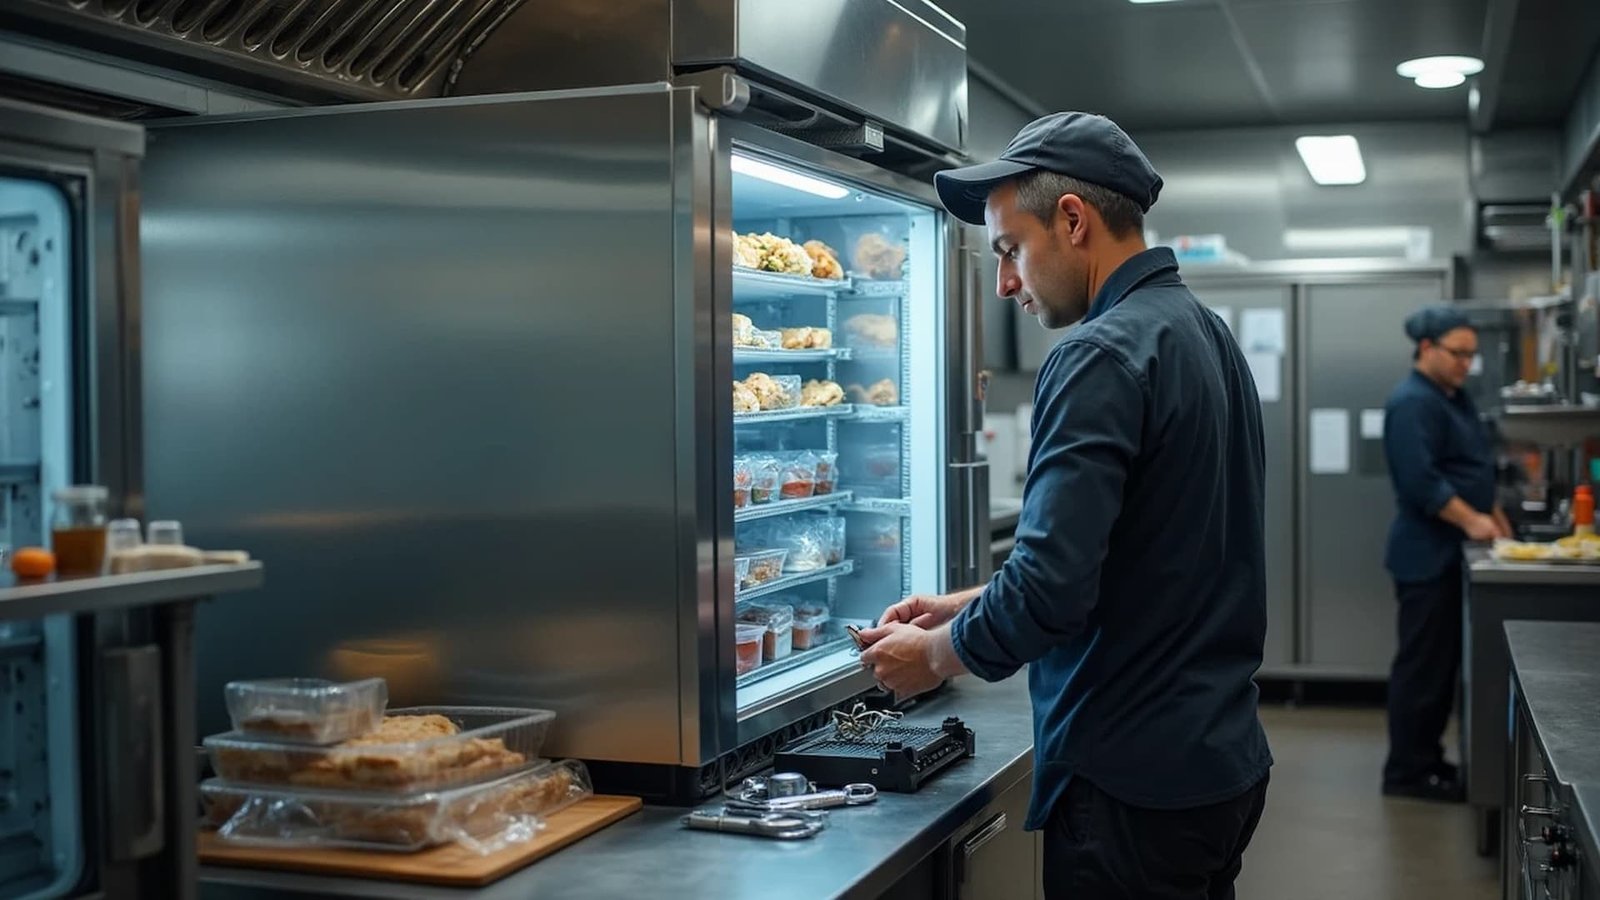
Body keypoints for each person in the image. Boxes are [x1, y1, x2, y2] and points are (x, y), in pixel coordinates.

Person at [856, 112, 1273, 900]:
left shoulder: (1096, 353)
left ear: (1073, 221)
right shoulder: (1205, 335)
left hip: (1130, 781)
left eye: (1011, 250)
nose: (1006, 282)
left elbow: (1052, 589)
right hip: (1215, 761)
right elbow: (1143, 555)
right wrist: (963, 605)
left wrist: (933, 658)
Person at [1380, 306, 1507, 802]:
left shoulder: (1453, 398)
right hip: (1426, 558)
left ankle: (1429, 761)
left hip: (1454, 554)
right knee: (1423, 670)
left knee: (1443, 668)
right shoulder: (1411, 403)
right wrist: (1474, 521)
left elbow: (1472, 468)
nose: (1466, 364)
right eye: (1458, 354)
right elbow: (1422, 483)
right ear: (1427, 348)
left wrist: (1494, 516)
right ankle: (1407, 773)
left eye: (1472, 356)